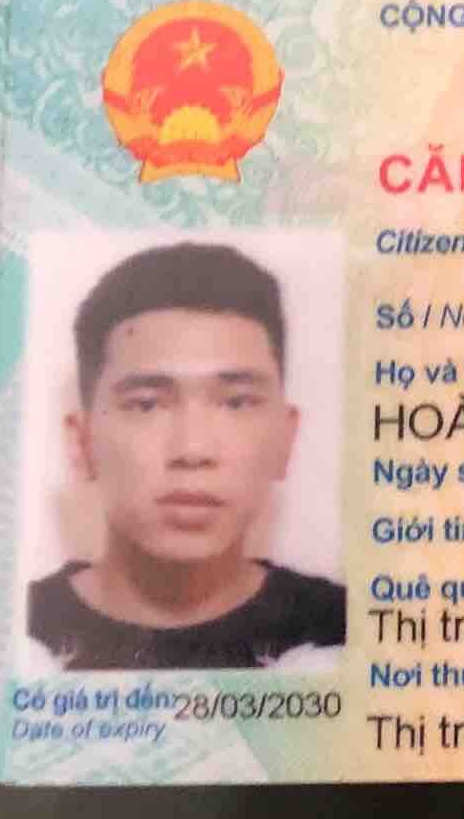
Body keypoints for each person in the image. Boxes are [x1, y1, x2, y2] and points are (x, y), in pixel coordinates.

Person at [27, 241, 345, 670]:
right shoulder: (16, 635)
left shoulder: (348, 632)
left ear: (286, 440)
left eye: (236, 402)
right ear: (81, 443)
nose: (192, 451)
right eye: (146, 405)